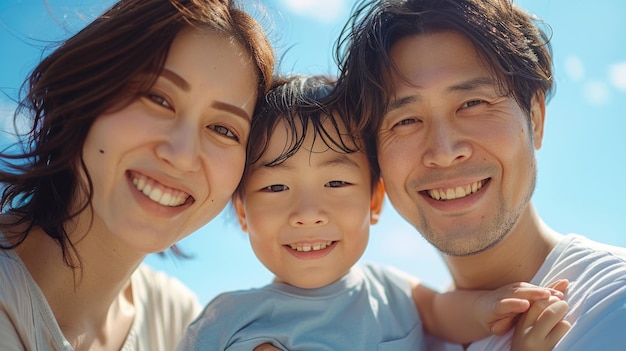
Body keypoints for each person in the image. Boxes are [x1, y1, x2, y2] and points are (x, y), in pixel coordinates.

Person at [177, 75, 569, 351]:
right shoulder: (225, 322)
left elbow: (440, 310)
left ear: (374, 201)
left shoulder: (391, 290)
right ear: (243, 212)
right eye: (276, 187)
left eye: (336, 184)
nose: (308, 214)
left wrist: (491, 309)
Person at [332, 0, 626, 350]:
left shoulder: (611, 303)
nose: (443, 151)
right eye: (406, 120)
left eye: (472, 103)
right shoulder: (397, 337)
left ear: (534, 117)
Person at [0, 0, 274, 350]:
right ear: (89, 94)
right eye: (158, 99)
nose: (182, 155)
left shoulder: (180, 320)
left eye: (223, 129)